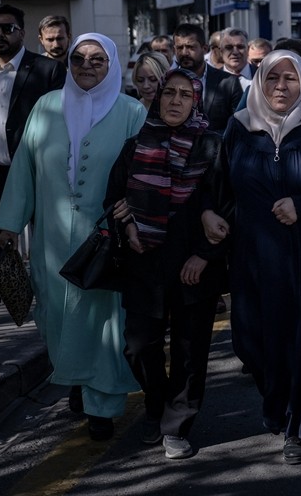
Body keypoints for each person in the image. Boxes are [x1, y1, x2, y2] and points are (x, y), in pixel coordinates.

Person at [206, 50, 301, 464]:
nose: (280, 86)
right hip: (254, 254)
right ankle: (278, 402)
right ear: (258, 81)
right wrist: (209, 214)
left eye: (289, 79)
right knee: (250, 339)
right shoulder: (239, 128)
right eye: (271, 77)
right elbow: (218, 185)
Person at [0, 34, 146, 440]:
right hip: (52, 237)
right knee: (56, 316)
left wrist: (134, 210)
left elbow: (144, 172)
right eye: (79, 59)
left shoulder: (131, 111)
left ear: (112, 64)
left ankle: (102, 403)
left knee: (102, 321)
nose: (87, 66)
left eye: (98, 60)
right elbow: (24, 167)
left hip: (104, 238)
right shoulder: (47, 107)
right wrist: (9, 223)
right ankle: (78, 379)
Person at [104, 70, 224, 460]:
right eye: (168, 93)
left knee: (190, 351)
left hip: (192, 265)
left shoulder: (211, 146)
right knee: (138, 347)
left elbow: (226, 206)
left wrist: (204, 256)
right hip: (145, 262)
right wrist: (125, 224)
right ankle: (156, 405)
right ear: (157, 99)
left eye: (184, 95)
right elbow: (114, 199)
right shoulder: (135, 145)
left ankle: (177, 423)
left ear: (196, 101)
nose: (175, 101)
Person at [0, 4, 66, 328]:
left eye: (7, 28)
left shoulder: (47, 71)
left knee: (46, 236)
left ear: (22, 33)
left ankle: (52, 297)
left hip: (37, 172)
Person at [172, 24, 244, 133]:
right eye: (180, 48)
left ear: (204, 49)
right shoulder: (167, 82)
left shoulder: (228, 83)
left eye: (191, 47)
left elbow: (238, 126)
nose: (184, 53)